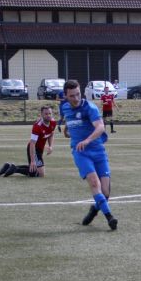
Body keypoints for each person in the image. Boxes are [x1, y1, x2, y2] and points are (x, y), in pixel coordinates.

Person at [61, 79, 117, 230]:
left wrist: (86, 140)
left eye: (78, 94)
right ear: (66, 96)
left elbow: (100, 127)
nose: (76, 98)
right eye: (72, 95)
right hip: (80, 152)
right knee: (94, 184)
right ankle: (110, 217)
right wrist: (67, 130)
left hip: (97, 151)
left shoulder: (90, 107)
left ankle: (94, 210)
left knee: (105, 193)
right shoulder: (65, 107)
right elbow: (71, 120)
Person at [0, 106, 56, 177]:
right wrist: (32, 161)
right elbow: (32, 143)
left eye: (50, 113)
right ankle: (15, 169)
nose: (48, 115)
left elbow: (51, 134)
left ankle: (9, 167)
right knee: (40, 174)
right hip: (34, 149)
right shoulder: (37, 126)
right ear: (41, 114)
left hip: (40, 149)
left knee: (34, 171)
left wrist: (50, 146)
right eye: (46, 114)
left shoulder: (53, 122)